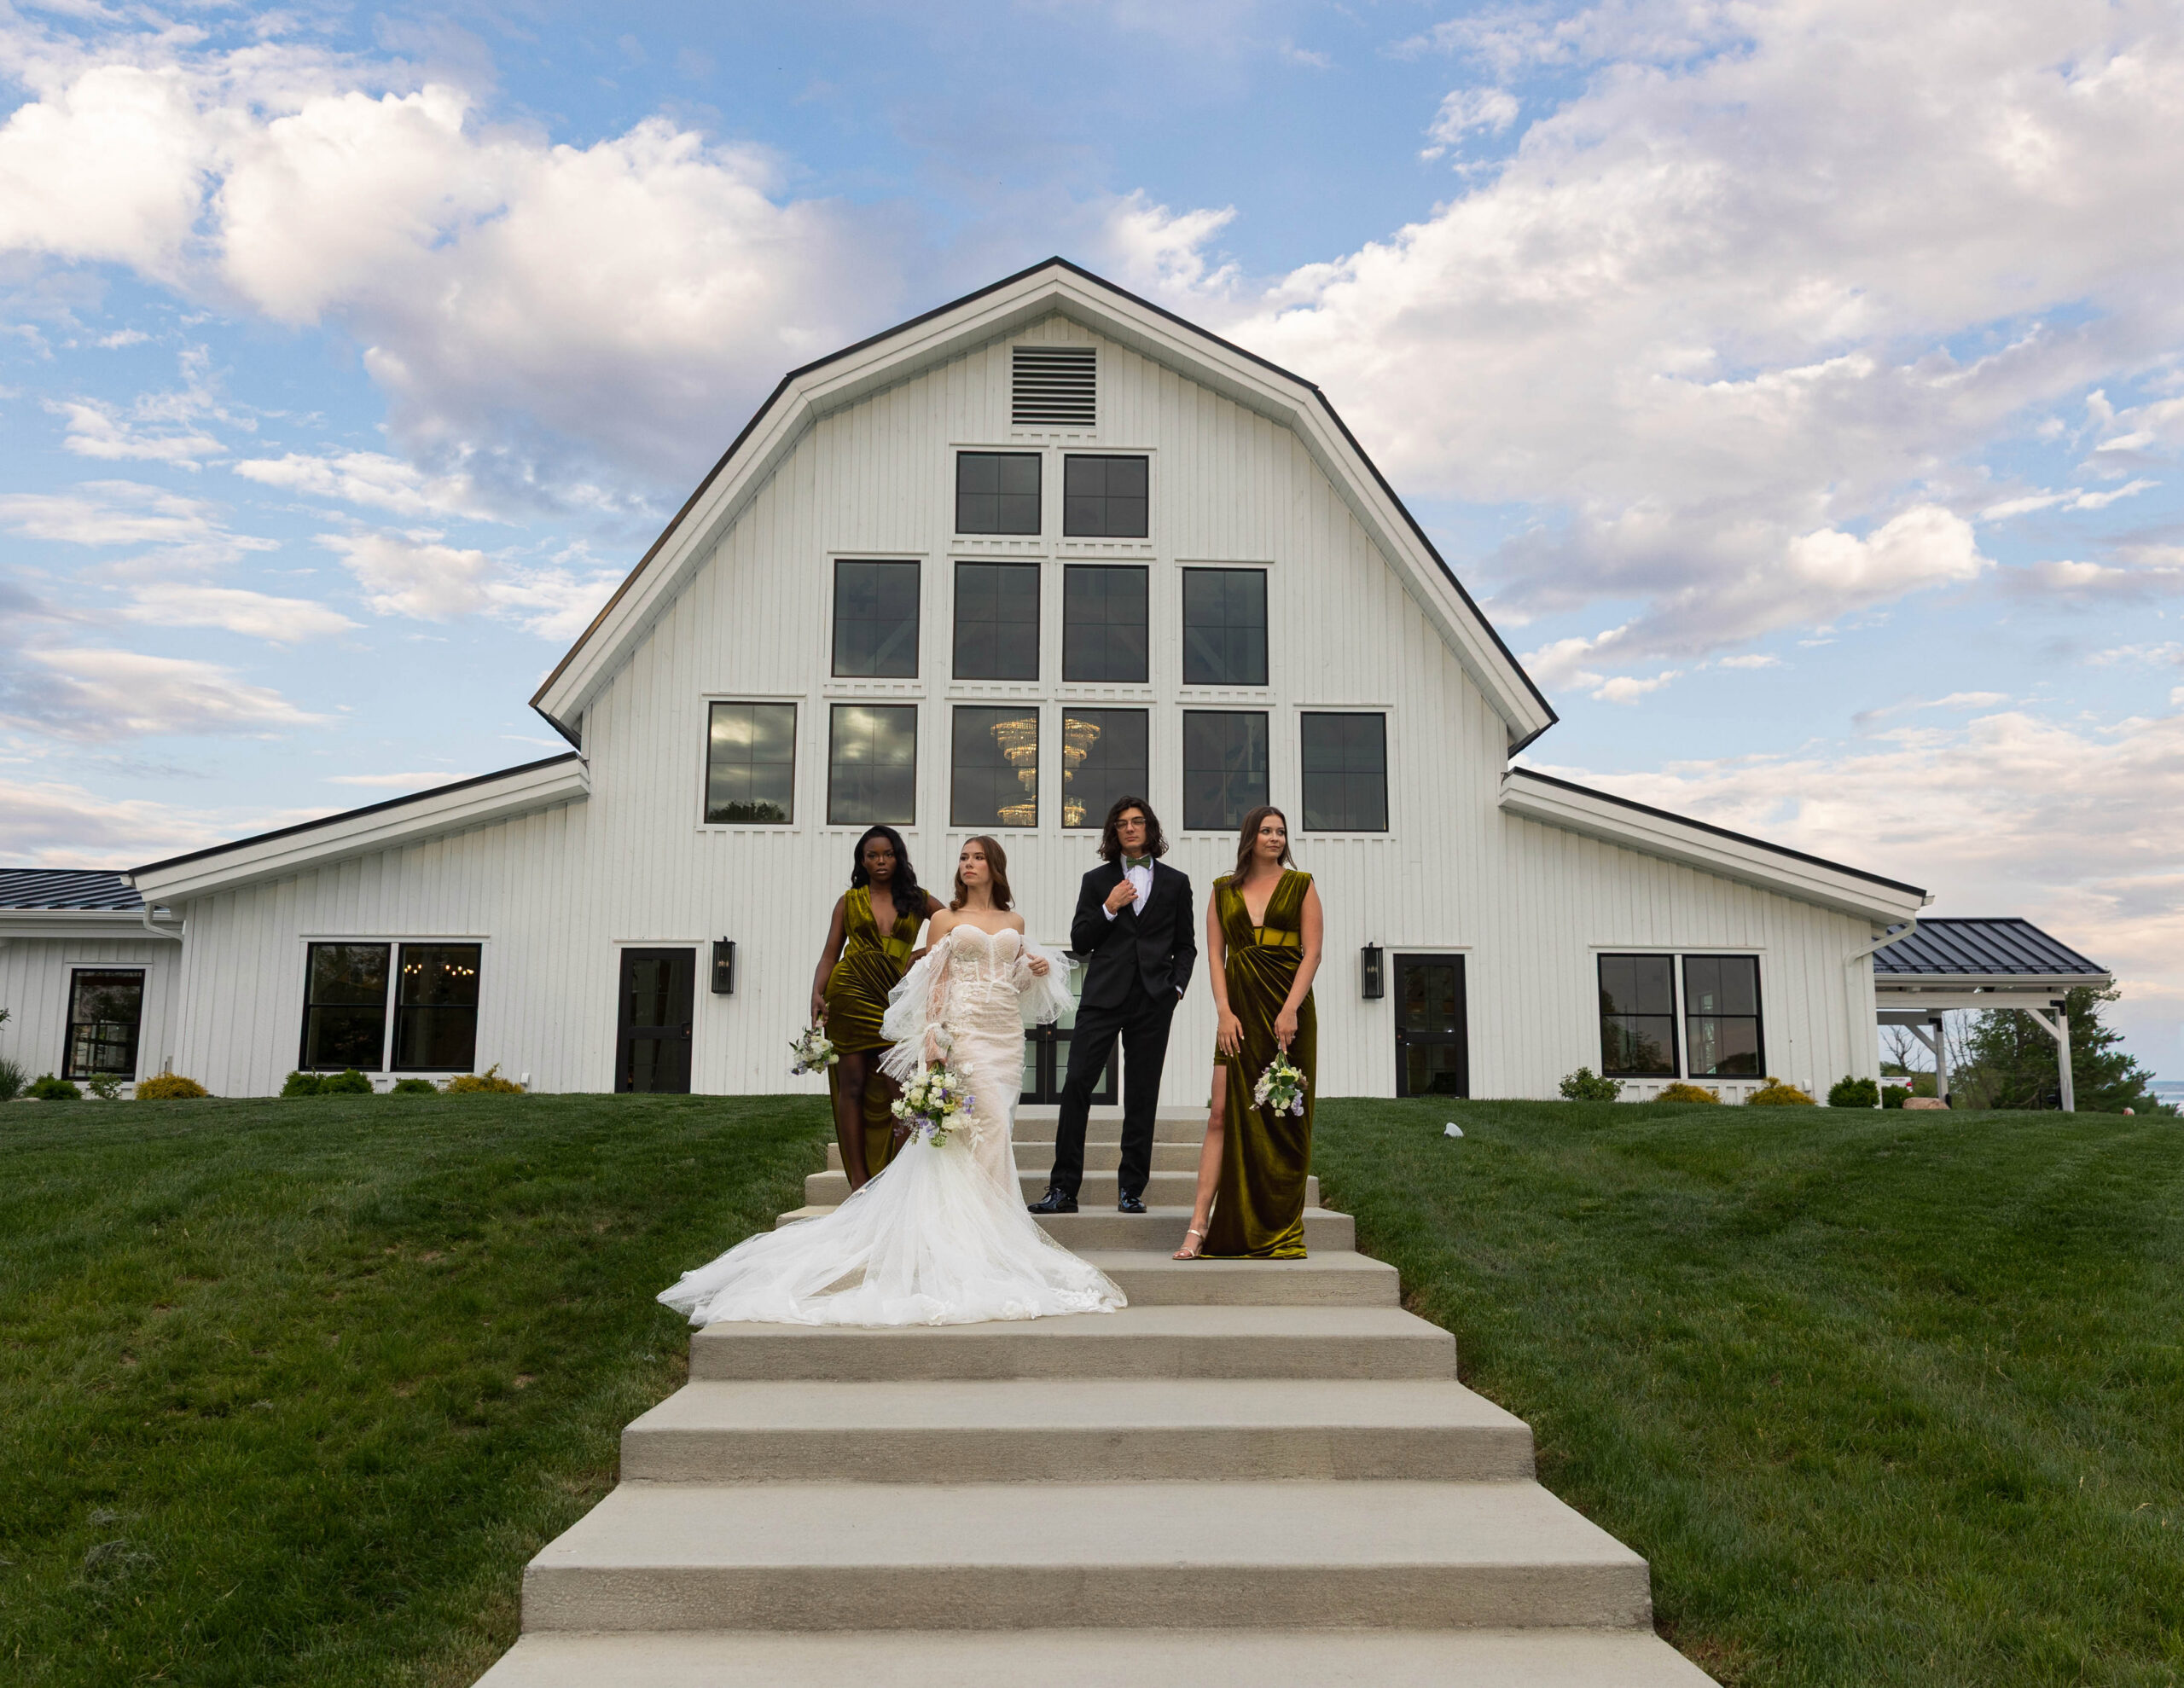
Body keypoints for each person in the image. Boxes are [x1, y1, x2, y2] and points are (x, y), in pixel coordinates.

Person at [662, 837, 1124, 1327]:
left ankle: (992, 1234)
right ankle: (969, 1239)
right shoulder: (945, 919)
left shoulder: (1016, 922)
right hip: (964, 1032)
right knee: (978, 1127)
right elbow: (936, 982)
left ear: (995, 867)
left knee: (995, 1132)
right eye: (963, 858)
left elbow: (1013, 983)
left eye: (977, 858)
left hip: (1005, 1036)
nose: (968, 865)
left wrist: (1034, 970)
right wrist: (933, 1037)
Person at [1031, 797, 1197, 1217]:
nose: (1130, 828)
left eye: (1137, 821)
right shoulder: (1096, 880)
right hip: (1103, 997)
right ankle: (1063, 1189)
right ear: (1114, 832)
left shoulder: (1177, 883)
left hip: (1153, 1000)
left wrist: (1176, 989)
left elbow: (1186, 945)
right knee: (1077, 1084)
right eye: (1122, 823)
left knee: (1142, 1094)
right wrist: (1109, 907)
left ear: (1150, 828)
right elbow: (1081, 939)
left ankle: (1131, 1190)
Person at [1175, 805, 1322, 1261]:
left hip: (1288, 1015)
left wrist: (1290, 1010)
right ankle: (1198, 1227)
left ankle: (1275, 1226)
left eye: (1281, 831)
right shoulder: (1223, 891)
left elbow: (1313, 953)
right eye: (1266, 831)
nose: (1275, 838)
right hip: (1238, 1015)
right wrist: (1223, 1012)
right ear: (1250, 838)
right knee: (1220, 1113)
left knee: (1284, 1118)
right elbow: (1214, 957)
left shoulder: (1302, 885)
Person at [810, 827, 944, 1192]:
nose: (881, 861)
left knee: (901, 1089)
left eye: (888, 854)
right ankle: (859, 1182)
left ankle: (896, 1182)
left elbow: (955, 928)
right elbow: (829, 954)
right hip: (849, 994)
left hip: (896, 998)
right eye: (872, 855)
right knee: (851, 1086)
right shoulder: (849, 901)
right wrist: (817, 992)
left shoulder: (918, 899)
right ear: (862, 861)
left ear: (899, 857)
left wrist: (925, 951)